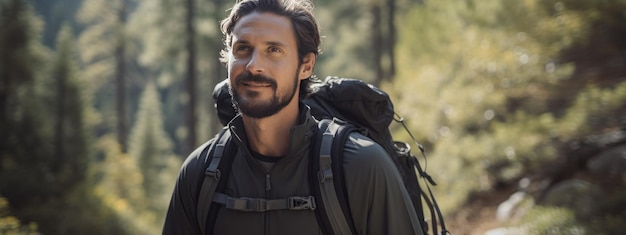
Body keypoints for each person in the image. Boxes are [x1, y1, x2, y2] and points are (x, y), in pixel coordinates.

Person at [162, 0, 423, 234]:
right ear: (227, 59)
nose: (254, 65)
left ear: (306, 65)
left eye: (273, 50)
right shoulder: (199, 175)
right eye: (242, 48)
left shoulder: (361, 167)